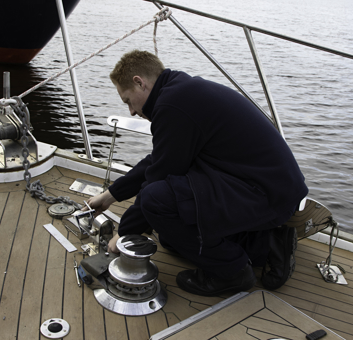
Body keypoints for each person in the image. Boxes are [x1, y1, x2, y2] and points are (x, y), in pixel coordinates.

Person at [85, 50, 308, 296]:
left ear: (140, 82)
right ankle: (267, 246)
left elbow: (158, 178)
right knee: (171, 234)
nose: (131, 112)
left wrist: (124, 233)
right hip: (263, 187)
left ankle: (232, 272)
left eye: (128, 100)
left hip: (266, 195)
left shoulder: (173, 104)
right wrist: (110, 196)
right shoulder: (179, 92)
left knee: (155, 202)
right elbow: (158, 161)